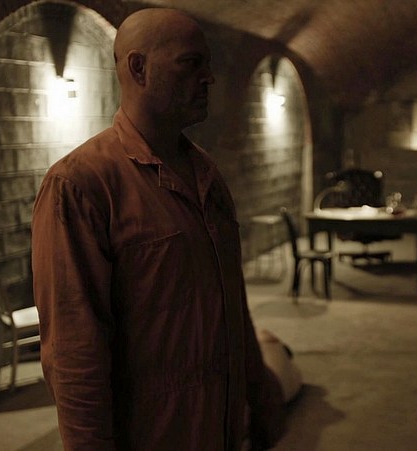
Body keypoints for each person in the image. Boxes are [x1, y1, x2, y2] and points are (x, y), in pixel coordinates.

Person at [31, 8, 284, 450]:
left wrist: (258, 392)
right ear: (139, 68)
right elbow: (74, 355)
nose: (208, 77)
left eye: (208, 63)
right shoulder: (81, 185)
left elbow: (231, 301)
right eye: (191, 63)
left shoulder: (206, 174)